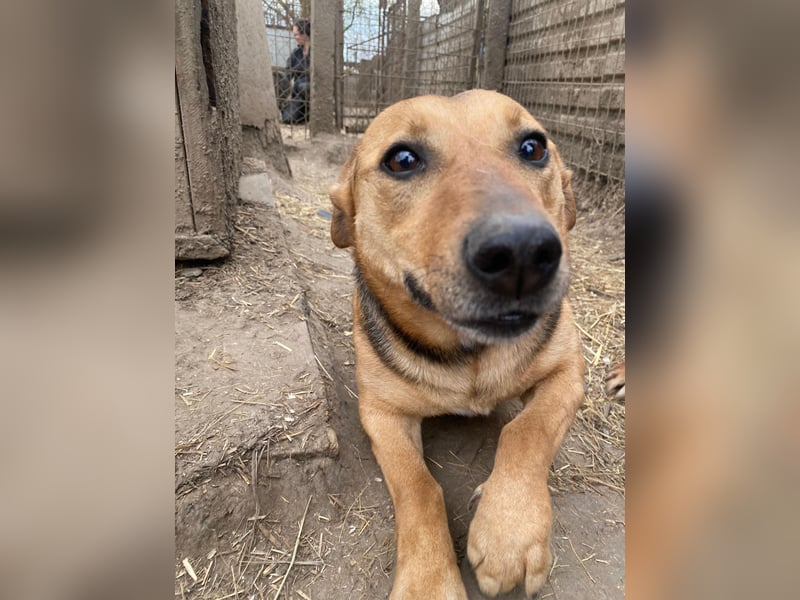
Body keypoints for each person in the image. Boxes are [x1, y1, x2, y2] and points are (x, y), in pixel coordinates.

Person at [279, 18, 311, 125]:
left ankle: (310, 113)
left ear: (305, 33)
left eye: (297, 34)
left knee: (303, 86)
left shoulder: (315, 52)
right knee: (287, 118)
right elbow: (287, 74)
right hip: (298, 95)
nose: (295, 38)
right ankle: (302, 115)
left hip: (311, 92)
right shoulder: (296, 53)